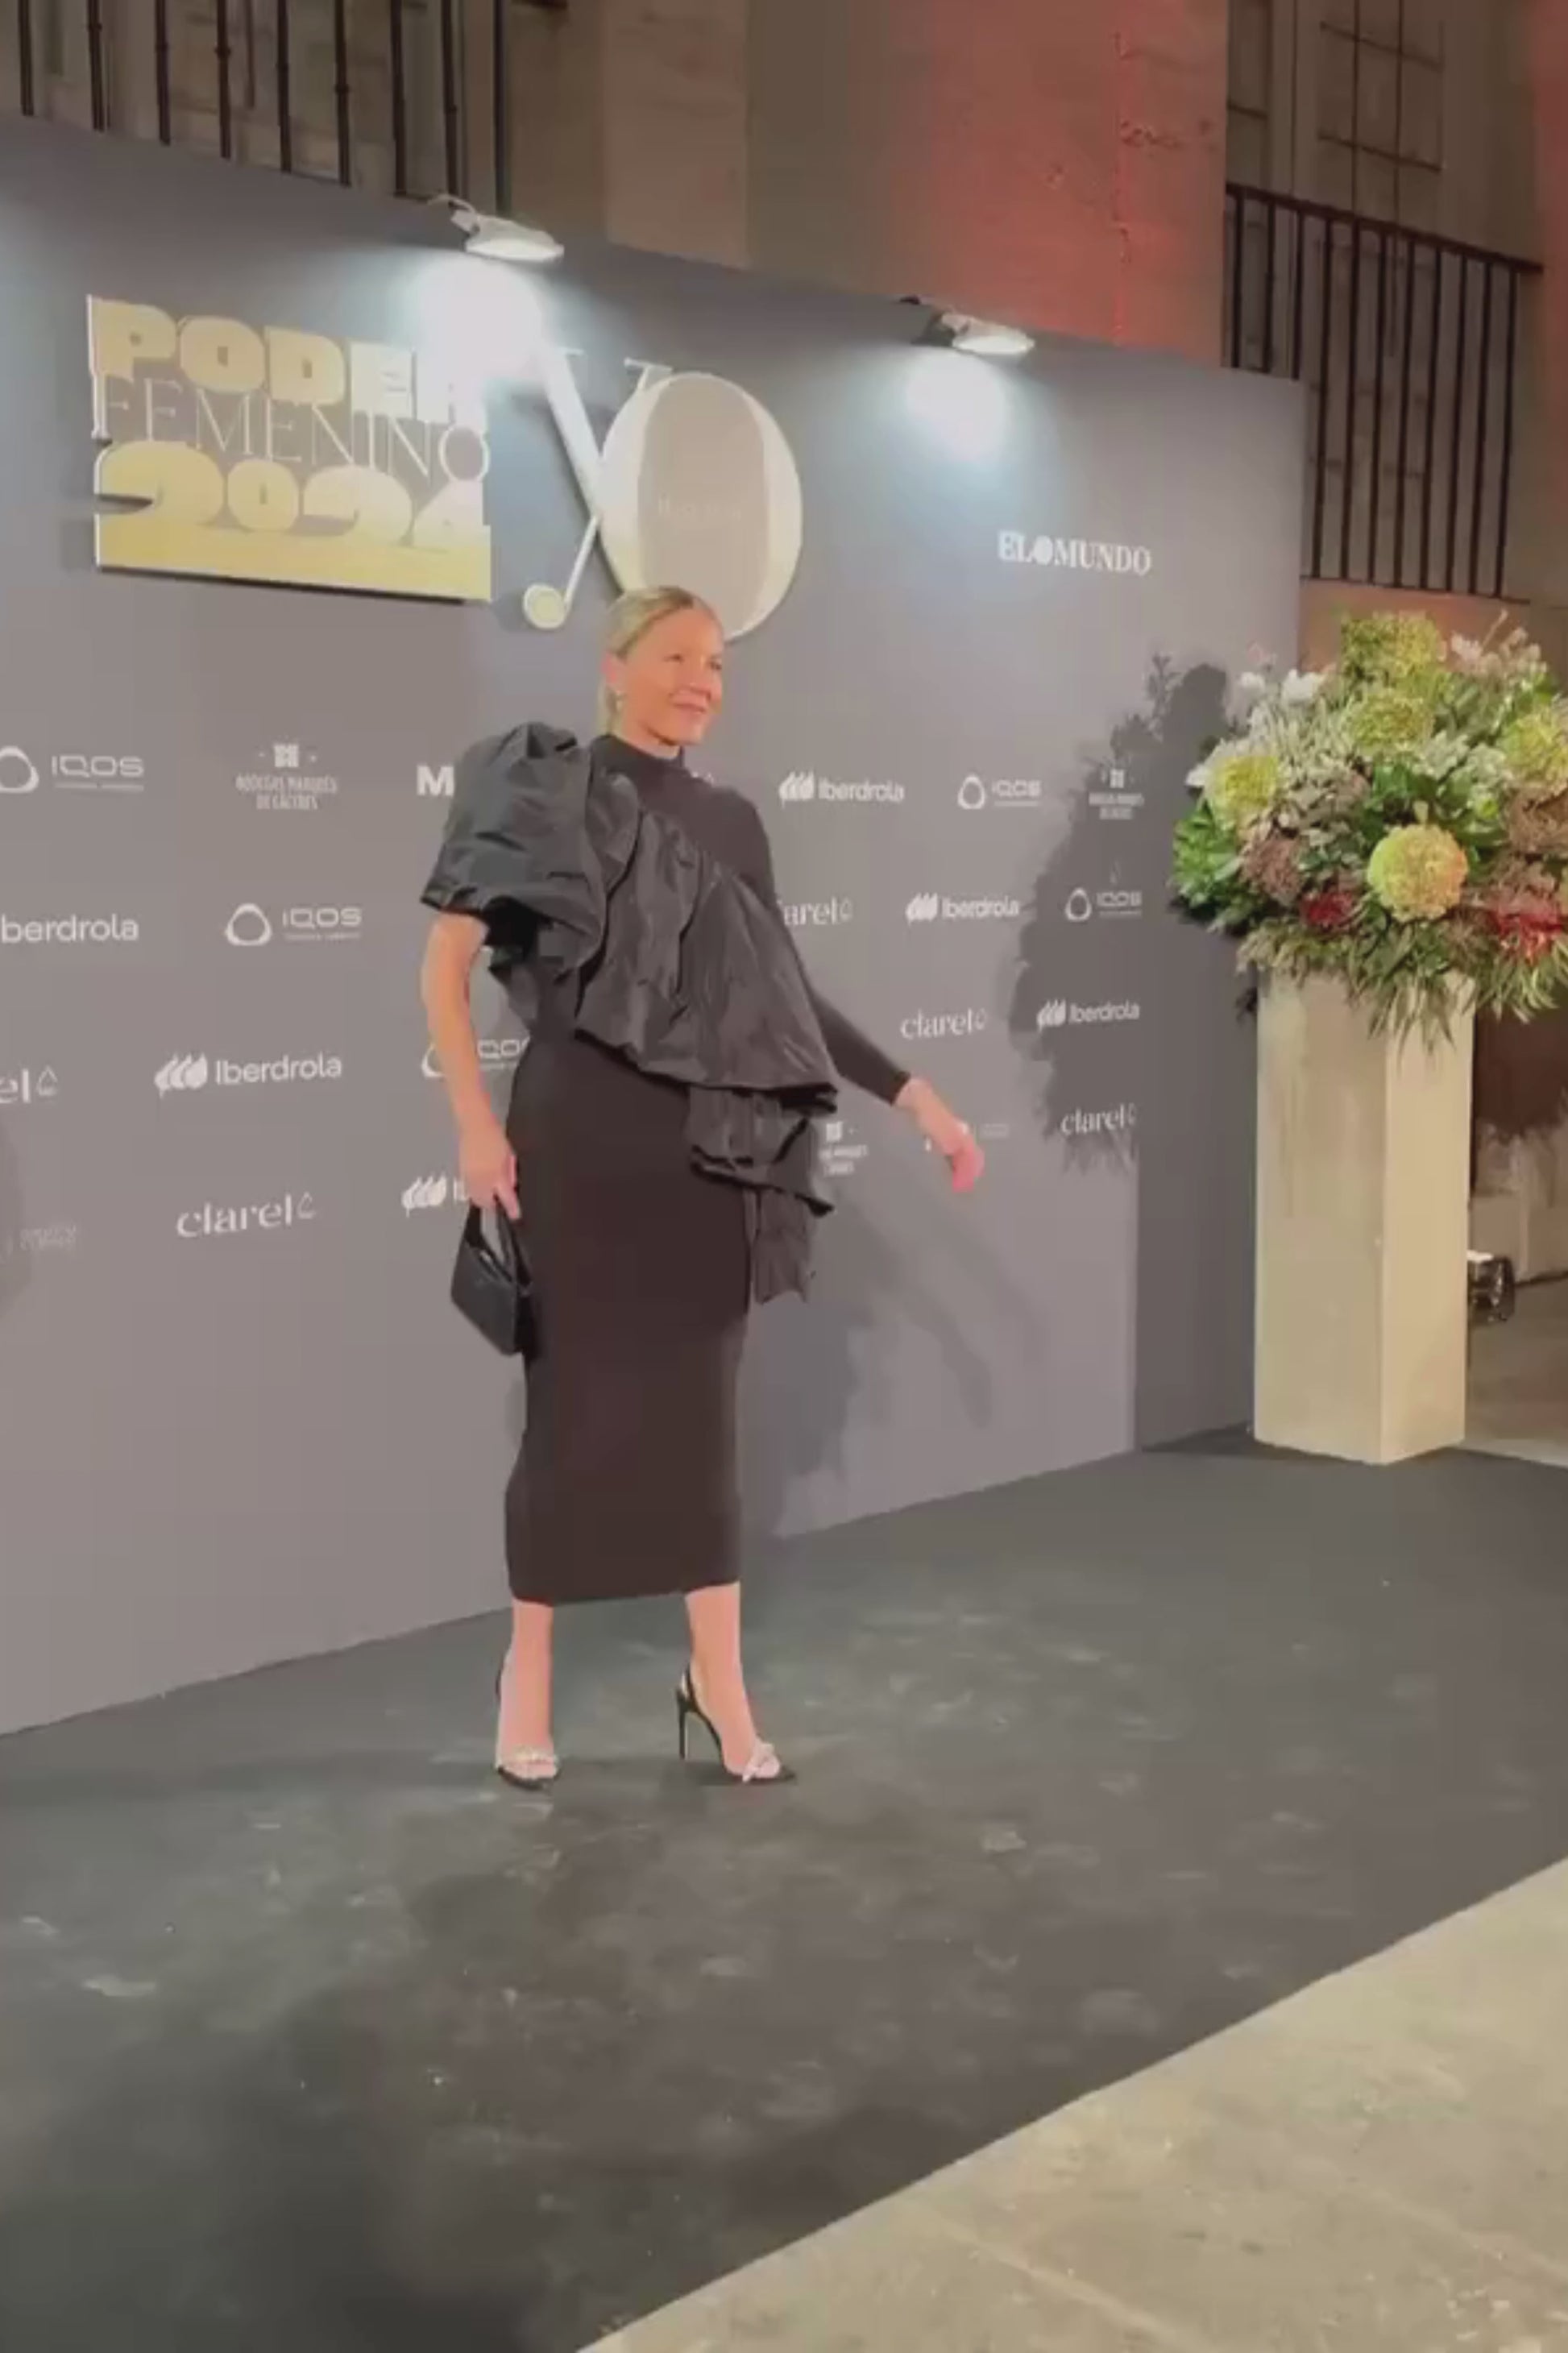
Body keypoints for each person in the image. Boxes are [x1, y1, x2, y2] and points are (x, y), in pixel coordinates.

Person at [420, 586, 982, 1788]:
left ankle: (715, 1682)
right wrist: (470, 1123)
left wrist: (912, 1091)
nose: (700, 682)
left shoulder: (733, 822)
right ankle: (526, 1677)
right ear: (614, 665)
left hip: (706, 1162)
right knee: (568, 1423)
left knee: (701, 1429)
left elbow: (785, 998)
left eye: (717, 663)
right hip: (573, 1153)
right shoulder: (543, 793)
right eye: (676, 656)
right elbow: (443, 968)